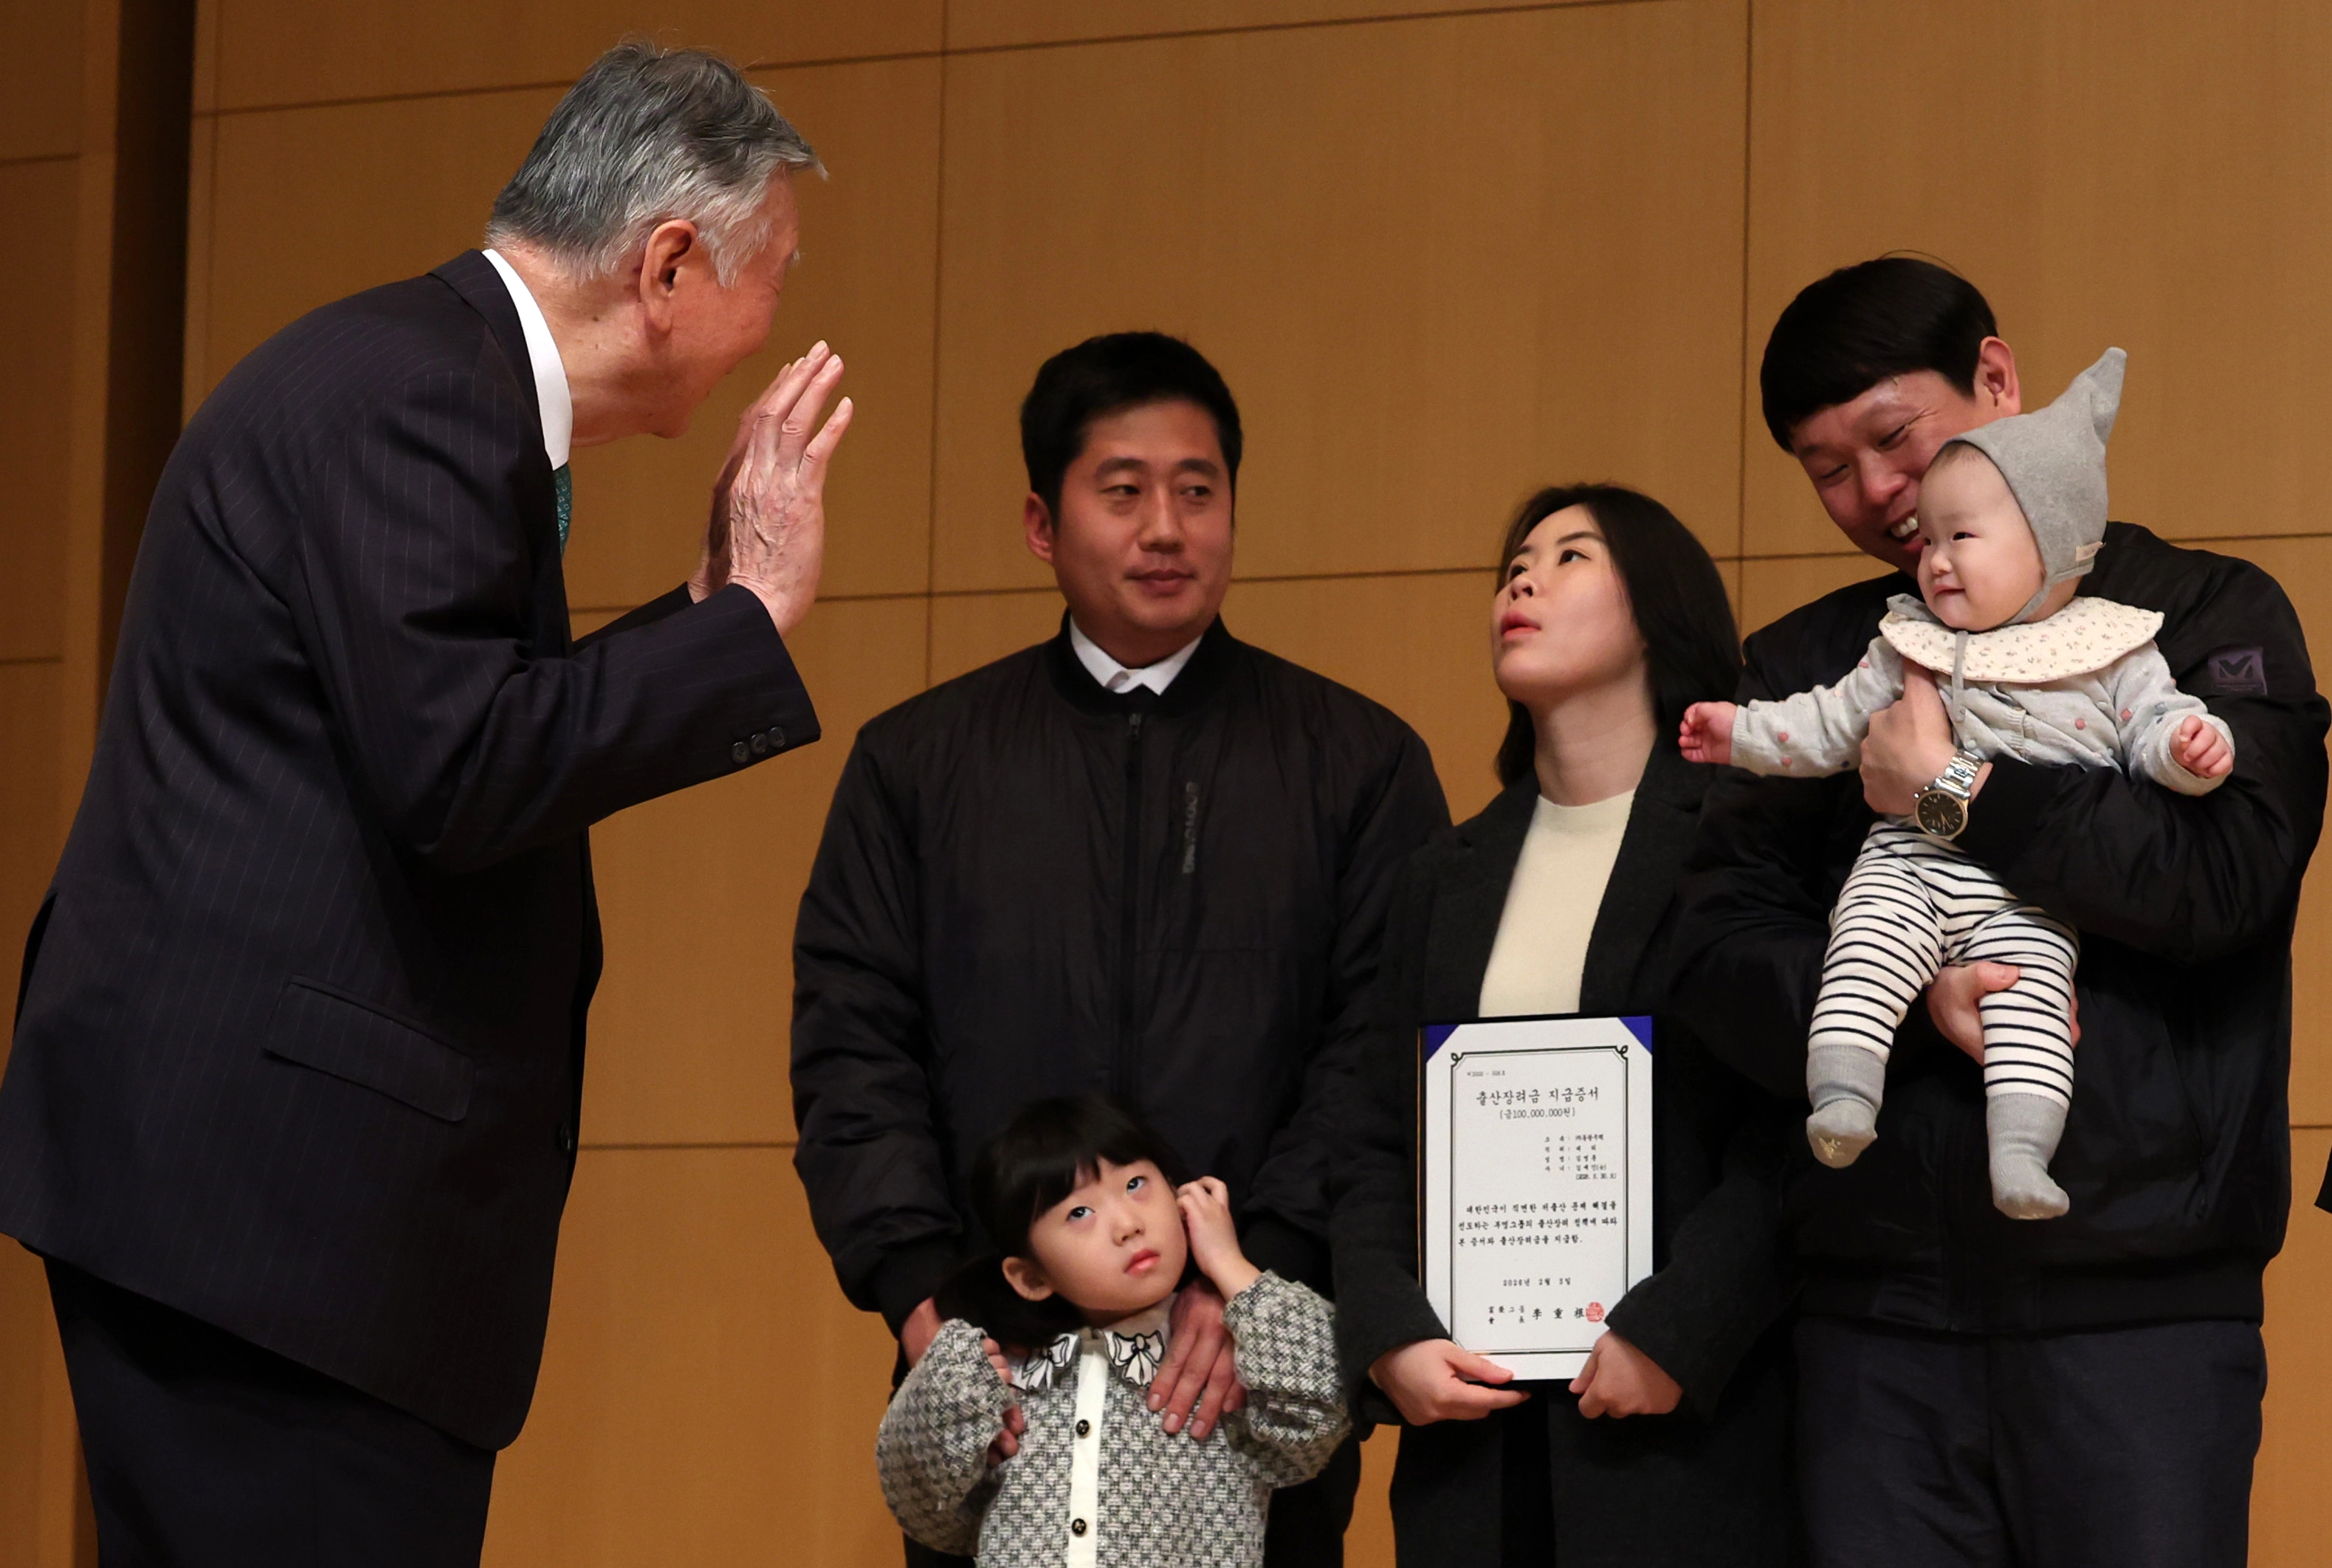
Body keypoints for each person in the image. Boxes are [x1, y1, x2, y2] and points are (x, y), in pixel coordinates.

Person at [0, 43, 850, 1565]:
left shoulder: (422, 375)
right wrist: (744, 630)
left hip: (253, 1213)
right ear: (668, 264)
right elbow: (459, 776)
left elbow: (448, 722)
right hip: (265, 1222)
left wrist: (698, 618)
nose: (779, 314)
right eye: (773, 270)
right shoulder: (420, 395)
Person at [1676, 256, 2329, 1568]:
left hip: (2141, 1303)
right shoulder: (1814, 660)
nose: (1873, 494)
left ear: (1995, 377)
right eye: (1824, 466)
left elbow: (2225, 882)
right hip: (1872, 1319)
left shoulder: (2202, 614)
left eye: (1893, 438)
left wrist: (1956, 793)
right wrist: (1909, 999)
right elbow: (1711, 954)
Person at [791, 331, 1449, 1567]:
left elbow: (1380, 1048)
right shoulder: (916, 763)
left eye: (1197, 490)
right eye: (1124, 489)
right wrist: (927, 1300)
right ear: (1042, 523)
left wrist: (1251, 1275)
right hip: (995, 1371)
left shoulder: (1357, 761)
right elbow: (850, 1046)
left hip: (1250, 1374)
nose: (1165, 526)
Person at [1330, 484, 1799, 1567]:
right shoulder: (1435, 879)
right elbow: (1365, 1141)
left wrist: (1677, 1331)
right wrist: (1387, 1333)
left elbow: (1791, 1126)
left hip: (1682, 1436)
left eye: (1569, 557)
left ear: (1655, 613)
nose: (1521, 581)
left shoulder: (1740, 844)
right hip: (1474, 1454)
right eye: (1511, 566)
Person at [1681, 349, 2235, 1218]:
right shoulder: (1908, 640)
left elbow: (2156, 729)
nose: (1933, 560)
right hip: (1903, 863)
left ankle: (2020, 1158)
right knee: (1862, 958)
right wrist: (1740, 733)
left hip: (2026, 896)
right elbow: (1826, 724)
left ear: (2051, 543)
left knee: (2034, 1008)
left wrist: (2189, 750)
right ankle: (1844, 1096)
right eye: (1930, 542)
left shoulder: (2118, 645)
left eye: (1961, 539)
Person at [877, 1096, 1347, 1566]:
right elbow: (923, 1509)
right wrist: (947, 1387)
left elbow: (1325, 1409)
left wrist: (1229, 1264)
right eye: (1079, 1213)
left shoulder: (1229, 1359)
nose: (1127, 1225)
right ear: (1031, 1277)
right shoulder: (996, 1379)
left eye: (1136, 1184)